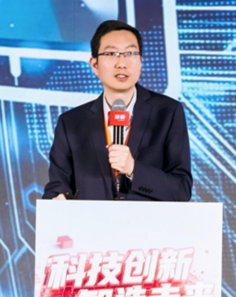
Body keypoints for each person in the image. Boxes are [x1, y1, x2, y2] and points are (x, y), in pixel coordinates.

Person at [42, 20, 192, 201]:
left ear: (141, 61)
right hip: (93, 219)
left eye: (130, 53)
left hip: (147, 219)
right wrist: (57, 199)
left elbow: (181, 190)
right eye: (111, 53)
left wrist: (133, 169)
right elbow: (57, 187)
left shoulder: (167, 113)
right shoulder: (71, 123)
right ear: (94, 64)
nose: (122, 63)